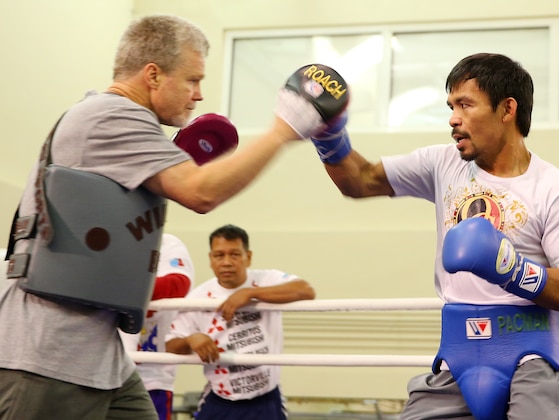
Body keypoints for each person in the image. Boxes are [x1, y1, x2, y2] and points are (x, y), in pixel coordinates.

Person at [0, 14, 345, 420]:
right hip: (49, 352)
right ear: (153, 75)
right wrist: (284, 130)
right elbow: (201, 193)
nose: (199, 95)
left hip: (98, 353)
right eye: (192, 80)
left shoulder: (116, 121)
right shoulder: (113, 116)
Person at [309, 53, 559, 419]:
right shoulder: (443, 163)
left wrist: (508, 268)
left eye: (465, 104)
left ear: (507, 109)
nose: (453, 119)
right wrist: (327, 134)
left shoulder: (557, 190)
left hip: (531, 357)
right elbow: (360, 179)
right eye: (451, 106)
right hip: (458, 356)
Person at [165, 224, 316, 420]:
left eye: (234, 254)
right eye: (219, 255)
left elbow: (306, 290)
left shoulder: (266, 279)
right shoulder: (198, 297)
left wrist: (250, 293)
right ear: (211, 259)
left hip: (266, 400)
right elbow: (170, 345)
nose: (227, 262)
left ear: (248, 257)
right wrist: (191, 340)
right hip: (221, 399)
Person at [119, 233, 195, 420]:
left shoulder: (168, 243)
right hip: (104, 371)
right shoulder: (113, 241)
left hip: (152, 377)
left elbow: (178, 284)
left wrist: (119, 289)